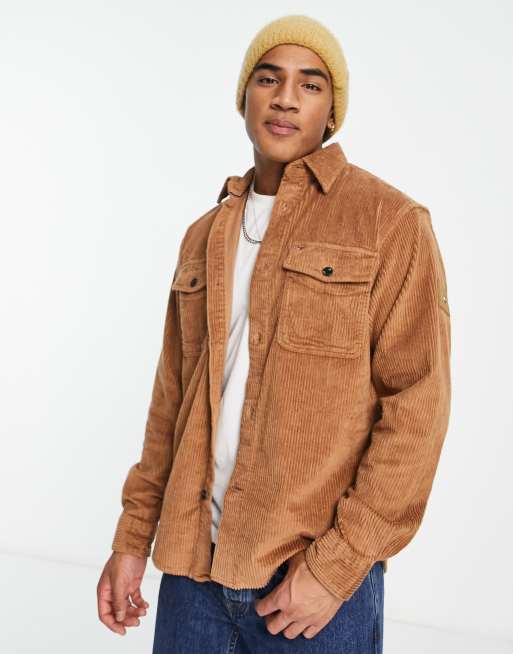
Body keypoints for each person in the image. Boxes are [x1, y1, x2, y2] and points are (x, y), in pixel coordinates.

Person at [97, 14, 451, 653]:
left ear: (332, 111)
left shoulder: (390, 223)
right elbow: (170, 404)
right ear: (244, 97)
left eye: (310, 85)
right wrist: (132, 539)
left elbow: (417, 409)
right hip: (191, 575)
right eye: (269, 78)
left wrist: (337, 566)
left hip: (309, 585)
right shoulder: (205, 235)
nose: (286, 98)